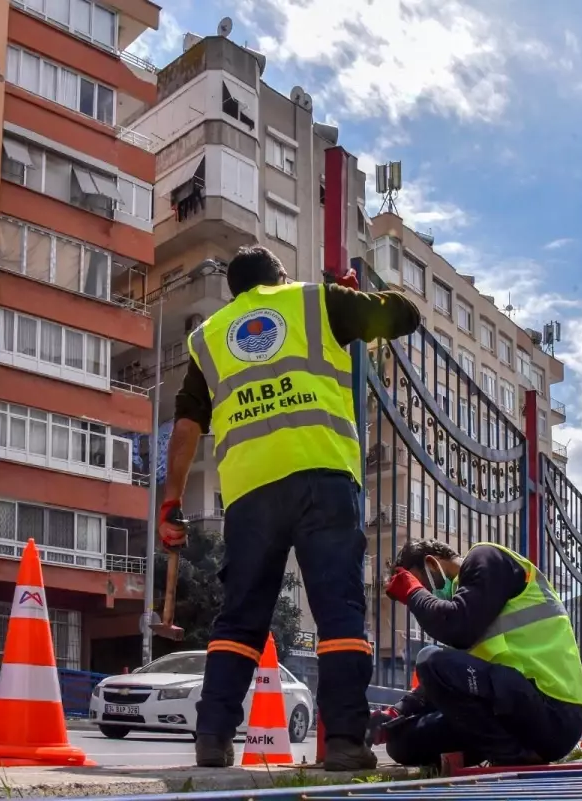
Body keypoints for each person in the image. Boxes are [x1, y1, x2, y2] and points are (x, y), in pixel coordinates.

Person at [159, 246, 422, 770]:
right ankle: (345, 742)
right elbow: (405, 316)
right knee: (338, 610)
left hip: (250, 492)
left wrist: (171, 501)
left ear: (235, 292)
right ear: (280, 277)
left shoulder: (210, 337)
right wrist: (351, 297)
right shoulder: (313, 300)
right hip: (321, 475)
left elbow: (186, 426)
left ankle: (212, 739)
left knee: (241, 619)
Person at [374, 539, 582, 767]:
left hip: (554, 713)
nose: (427, 597)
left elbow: (456, 630)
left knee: (429, 659)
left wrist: (413, 593)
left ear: (432, 563)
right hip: (509, 711)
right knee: (402, 742)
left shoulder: (486, 558)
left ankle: (510, 757)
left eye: (424, 588)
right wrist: (397, 712)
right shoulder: (468, 600)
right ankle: (503, 751)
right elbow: (447, 682)